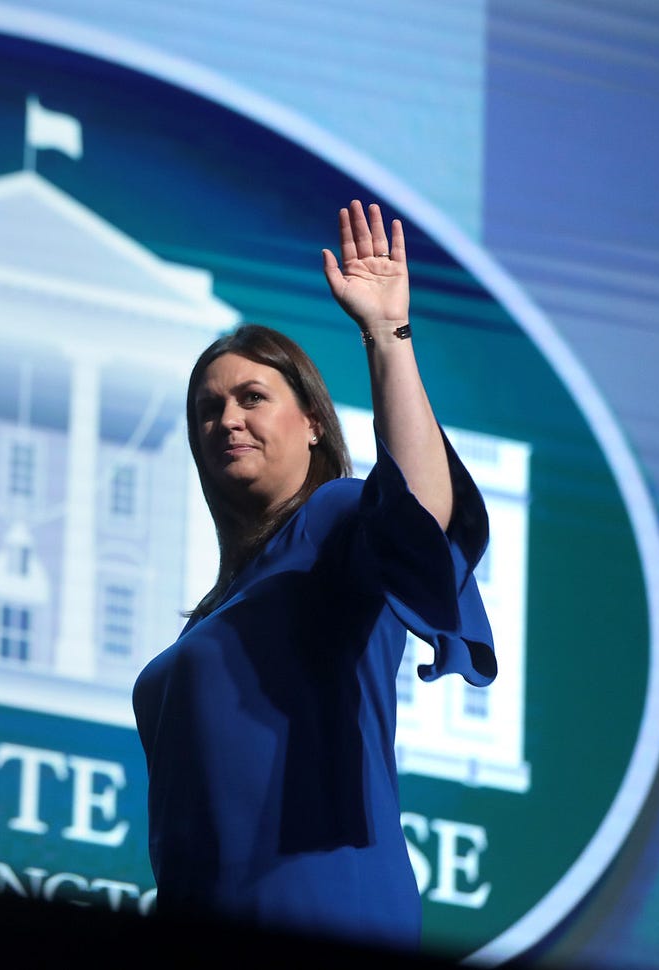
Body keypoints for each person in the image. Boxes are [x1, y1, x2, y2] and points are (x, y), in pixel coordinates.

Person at [132, 200, 496, 950]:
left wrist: (387, 336)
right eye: (207, 409)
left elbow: (422, 516)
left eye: (252, 398)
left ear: (313, 424)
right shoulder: (209, 617)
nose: (226, 419)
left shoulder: (332, 522)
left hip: (322, 906)